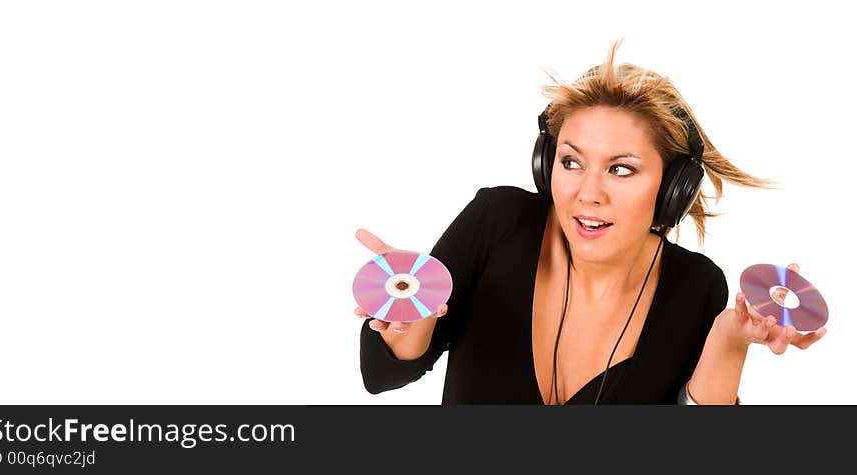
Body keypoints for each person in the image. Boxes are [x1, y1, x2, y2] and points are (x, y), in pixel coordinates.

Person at [353, 40, 827, 404]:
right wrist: (407, 319)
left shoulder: (695, 286)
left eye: (622, 169)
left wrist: (729, 339)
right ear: (546, 166)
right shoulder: (498, 222)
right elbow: (384, 375)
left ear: (672, 188)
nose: (588, 194)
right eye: (571, 162)